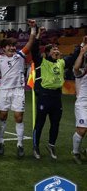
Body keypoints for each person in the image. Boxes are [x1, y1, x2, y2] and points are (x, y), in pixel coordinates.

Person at [31, 29, 83, 159]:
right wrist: (37, 34)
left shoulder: (62, 62)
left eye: (57, 49)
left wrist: (82, 45)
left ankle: (51, 145)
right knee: (40, 123)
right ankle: (36, 146)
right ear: (47, 53)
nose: (57, 51)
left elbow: (74, 55)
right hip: (44, 96)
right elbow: (34, 49)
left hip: (56, 97)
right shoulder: (42, 62)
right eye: (53, 49)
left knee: (55, 123)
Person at [0, 19, 37, 157]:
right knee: (3, 116)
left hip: (18, 91)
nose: (13, 48)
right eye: (10, 46)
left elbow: (30, 44)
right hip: (4, 91)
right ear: (4, 48)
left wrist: (33, 29)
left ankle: (20, 144)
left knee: (19, 117)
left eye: (14, 46)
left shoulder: (20, 56)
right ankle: (1, 142)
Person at [72, 42, 87, 164]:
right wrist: (82, 51)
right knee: (82, 130)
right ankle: (75, 153)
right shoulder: (82, 71)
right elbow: (75, 68)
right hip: (82, 104)